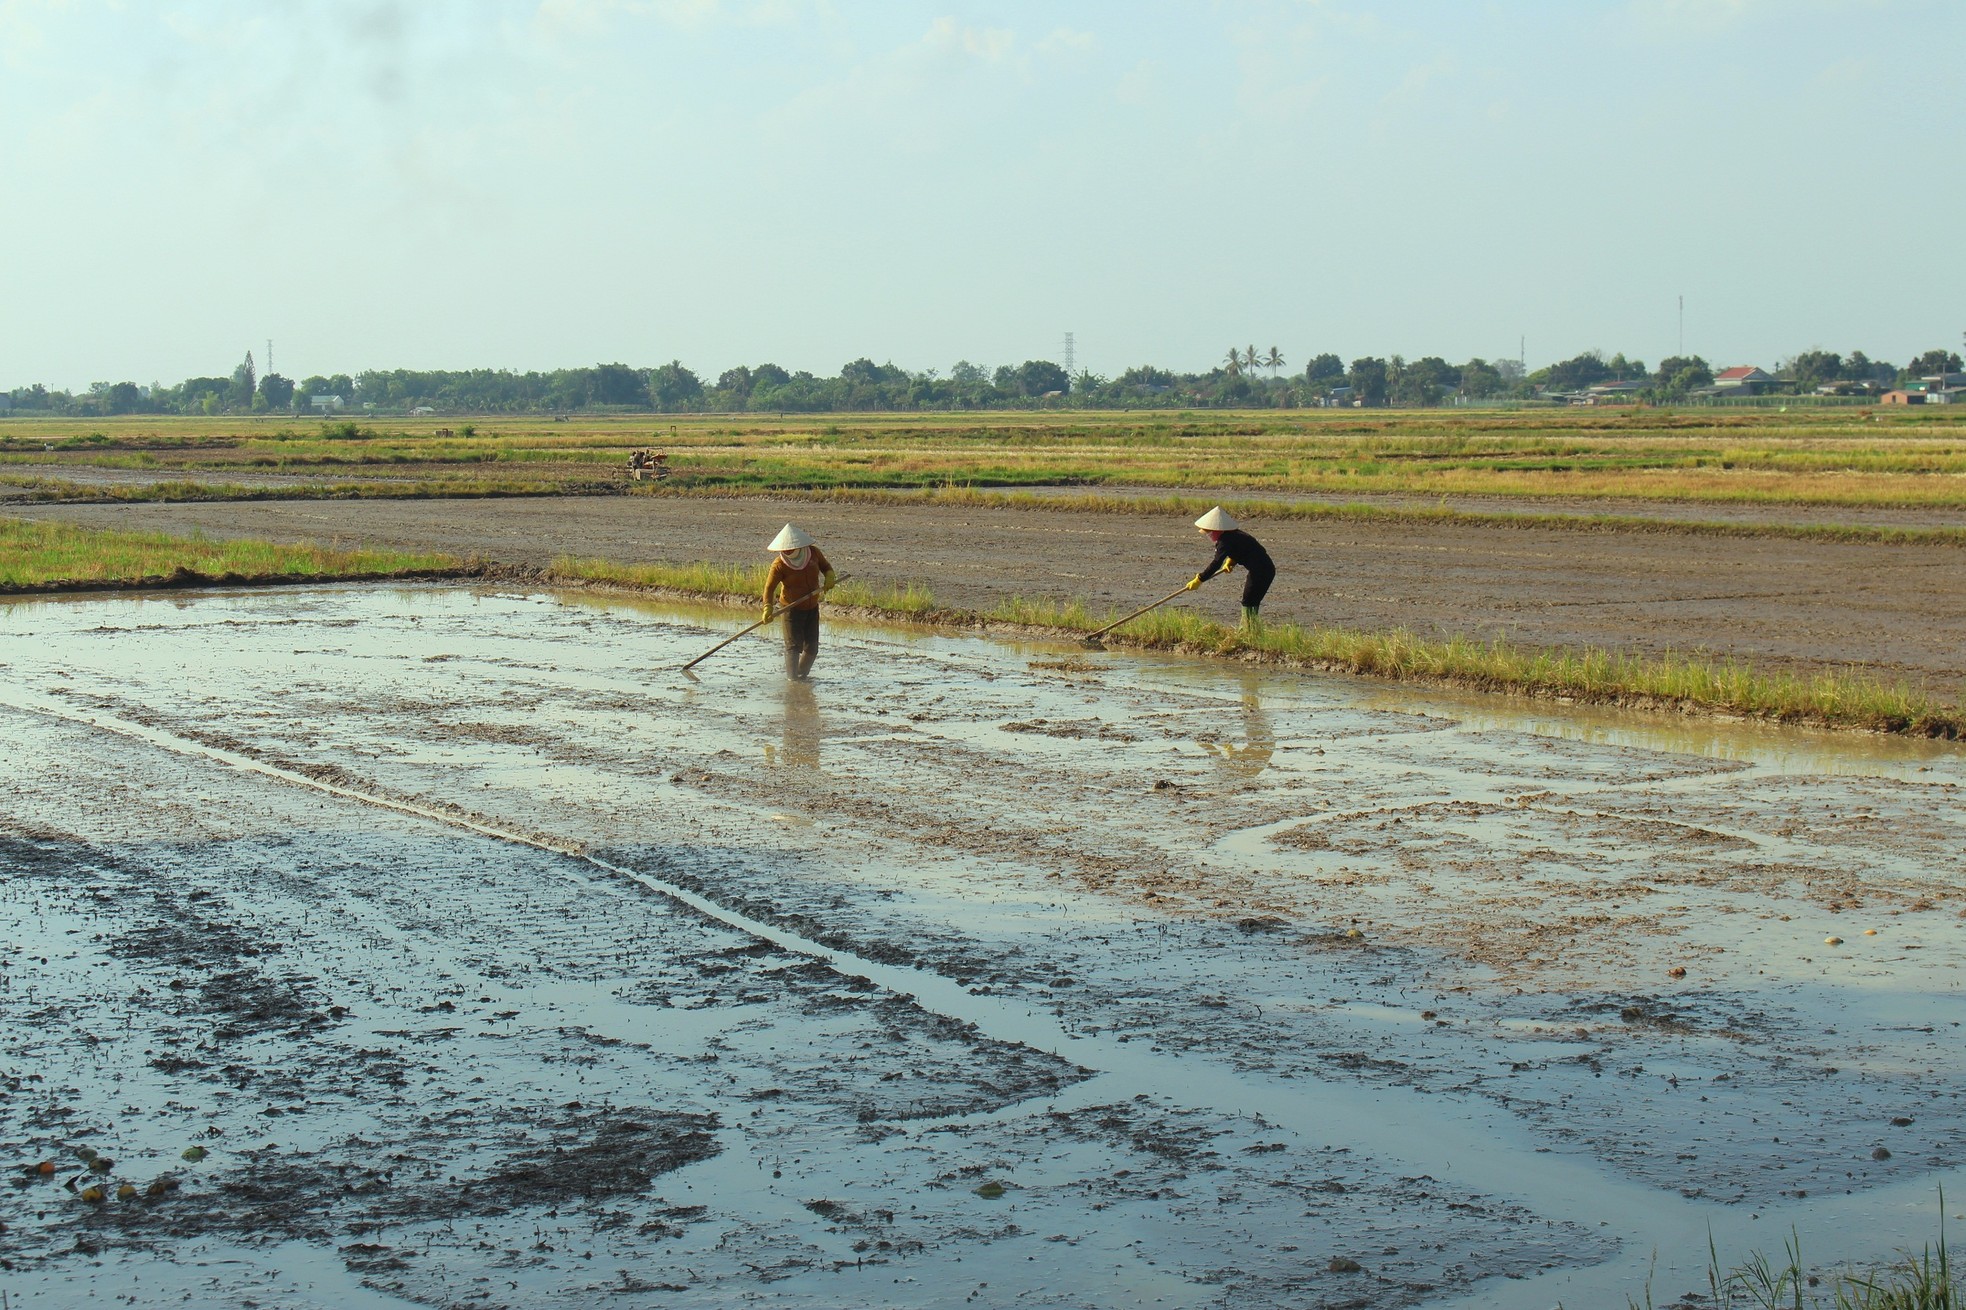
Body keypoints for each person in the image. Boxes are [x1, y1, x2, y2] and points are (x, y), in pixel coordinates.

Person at [761, 524, 835, 680]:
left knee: (812, 648)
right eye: (784, 550)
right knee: (793, 647)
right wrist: (767, 608)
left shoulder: (813, 553)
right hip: (791, 610)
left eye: (789, 549)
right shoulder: (779, 565)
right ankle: (793, 681)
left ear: (798, 545)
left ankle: (801, 674)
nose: (786, 552)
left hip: (812, 607)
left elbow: (826, 567)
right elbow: (769, 589)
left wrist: (830, 576)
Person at [1185, 506, 1275, 632]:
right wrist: (1231, 561)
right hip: (1263, 569)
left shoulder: (1225, 541)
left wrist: (1199, 579)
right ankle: (1252, 631)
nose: (1209, 535)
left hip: (1262, 571)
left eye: (1209, 532)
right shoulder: (1234, 535)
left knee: (1249, 601)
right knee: (1251, 600)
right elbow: (1242, 550)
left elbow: (1216, 563)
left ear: (1216, 530)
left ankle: (1247, 631)